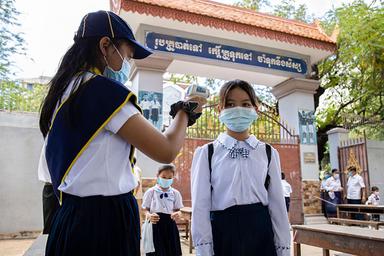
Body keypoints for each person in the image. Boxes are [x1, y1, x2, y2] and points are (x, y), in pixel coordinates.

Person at [38, 10, 205, 256]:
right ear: (105, 45)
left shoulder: (64, 91)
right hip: (104, 221)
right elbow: (166, 149)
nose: (127, 63)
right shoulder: (103, 92)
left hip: (70, 216)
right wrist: (186, 110)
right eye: (127, 54)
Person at [191, 80, 290, 256]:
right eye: (230, 104)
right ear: (219, 110)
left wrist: (283, 247)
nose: (238, 109)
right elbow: (200, 205)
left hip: (261, 232)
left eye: (245, 104)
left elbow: (277, 204)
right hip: (223, 232)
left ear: (256, 109)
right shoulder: (207, 152)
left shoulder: (267, 152)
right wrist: (204, 249)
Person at [142, 164, 183, 256]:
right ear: (157, 176)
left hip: (170, 226)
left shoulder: (175, 193)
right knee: (157, 251)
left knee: (171, 251)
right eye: (163, 177)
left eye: (169, 178)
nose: (166, 180)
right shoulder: (151, 192)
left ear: (173, 178)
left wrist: (178, 214)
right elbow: (144, 209)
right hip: (155, 225)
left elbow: (179, 210)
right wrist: (149, 216)